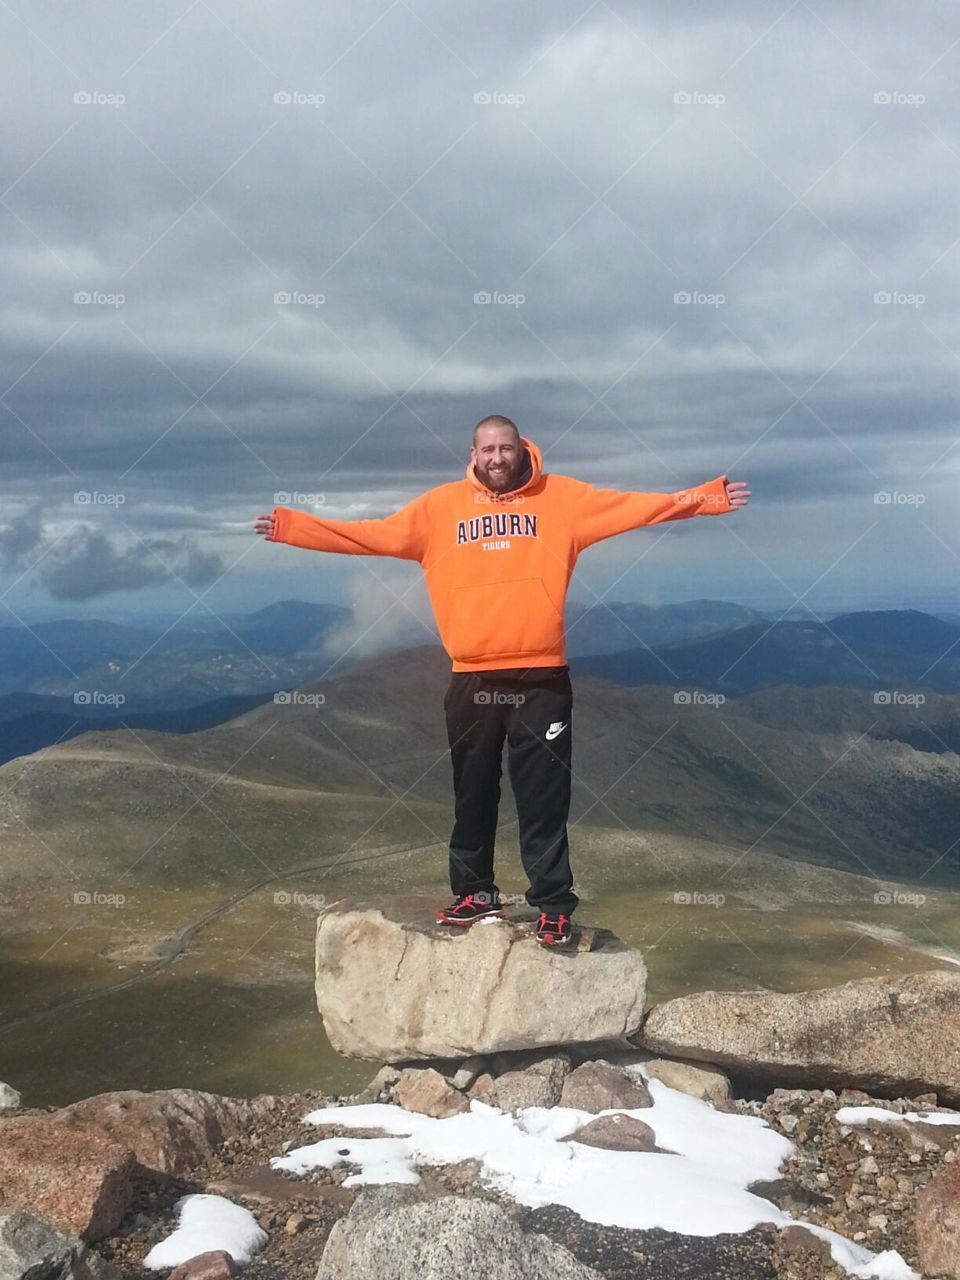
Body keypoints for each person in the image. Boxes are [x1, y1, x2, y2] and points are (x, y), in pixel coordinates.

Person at [254, 417, 750, 946]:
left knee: (544, 797)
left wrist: (705, 498)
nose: (497, 457)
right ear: (473, 453)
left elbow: (635, 507)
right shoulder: (438, 509)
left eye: (505, 448)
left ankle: (553, 906)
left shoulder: (563, 500)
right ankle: (474, 895)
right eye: (488, 449)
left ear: (521, 450)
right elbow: (369, 534)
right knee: (472, 792)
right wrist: (293, 528)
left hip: (542, 678)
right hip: (471, 678)